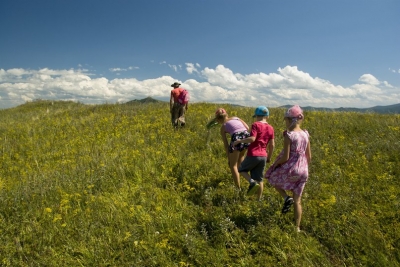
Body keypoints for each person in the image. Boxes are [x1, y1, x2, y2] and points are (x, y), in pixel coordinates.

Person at [265, 105, 311, 232]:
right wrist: (304, 167)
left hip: (292, 168)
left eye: (286, 120)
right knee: (298, 201)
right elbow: (309, 156)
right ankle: (297, 227)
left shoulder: (289, 135)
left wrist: (276, 164)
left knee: (272, 177)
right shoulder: (305, 134)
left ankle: (286, 197)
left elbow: (285, 157)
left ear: (291, 120)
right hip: (303, 170)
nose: (285, 122)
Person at [233, 106, 275, 200]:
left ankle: (251, 182)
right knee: (260, 179)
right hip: (263, 156)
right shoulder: (271, 128)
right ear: (267, 116)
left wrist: (239, 141)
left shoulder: (255, 125)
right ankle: (258, 200)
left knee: (241, 169)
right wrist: (269, 157)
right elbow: (272, 145)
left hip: (253, 154)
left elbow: (252, 139)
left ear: (256, 116)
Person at [215, 108, 250, 189]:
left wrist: (229, 158)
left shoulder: (223, 127)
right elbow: (247, 127)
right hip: (246, 137)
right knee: (240, 160)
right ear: (226, 114)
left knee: (233, 165)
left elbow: (226, 145)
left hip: (236, 138)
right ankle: (246, 179)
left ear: (218, 119)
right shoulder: (236, 118)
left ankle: (238, 188)